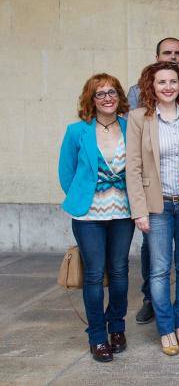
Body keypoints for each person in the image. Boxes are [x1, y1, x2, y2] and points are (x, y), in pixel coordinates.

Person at [128, 37, 179, 326]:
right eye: (161, 82)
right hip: (157, 205)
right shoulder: (139, 118)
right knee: (160, 269)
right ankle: (165, 326)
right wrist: (139, 210)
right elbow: (133, 167)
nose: (168, 87)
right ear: (152, 86)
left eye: (173, 82)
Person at [58, 74, 133, 363]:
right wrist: (81, 197)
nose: (107, 98)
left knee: (119, 271)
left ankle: (117, 328)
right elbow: (66, 173)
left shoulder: (130, 128)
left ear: (119, 96)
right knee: (93, 273)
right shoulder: (77, 131)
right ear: (91, 99)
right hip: (89, 214)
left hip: (123, 212)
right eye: (100, 93)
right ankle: (97, 336)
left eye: (112, 92)